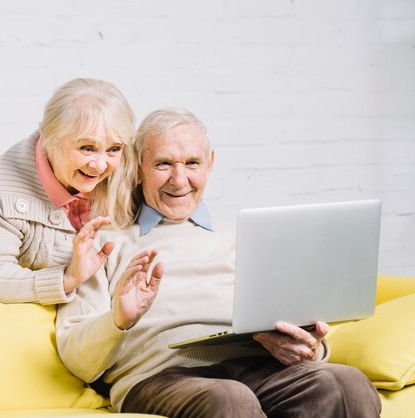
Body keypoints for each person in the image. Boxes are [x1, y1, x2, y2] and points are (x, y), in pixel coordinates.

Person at [56, 108, 381, 418]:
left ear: (210, 165)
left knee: (345, 385)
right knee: (229, 398)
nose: (179, 179)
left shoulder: (250, 236)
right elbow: (76, 357)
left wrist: (308, 349)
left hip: (260, 367)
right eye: (164, 164)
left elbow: (301, 327)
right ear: (139, 167)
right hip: (162, 377)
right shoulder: (105, 243)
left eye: (192, 163)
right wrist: (118, 320)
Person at [0, 78, 137, 304]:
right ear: (50, 139)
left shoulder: (126, 163)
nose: (100, 165)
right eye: (87, 148)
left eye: (114, 149)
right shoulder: (7, 184)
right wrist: (66, 278)